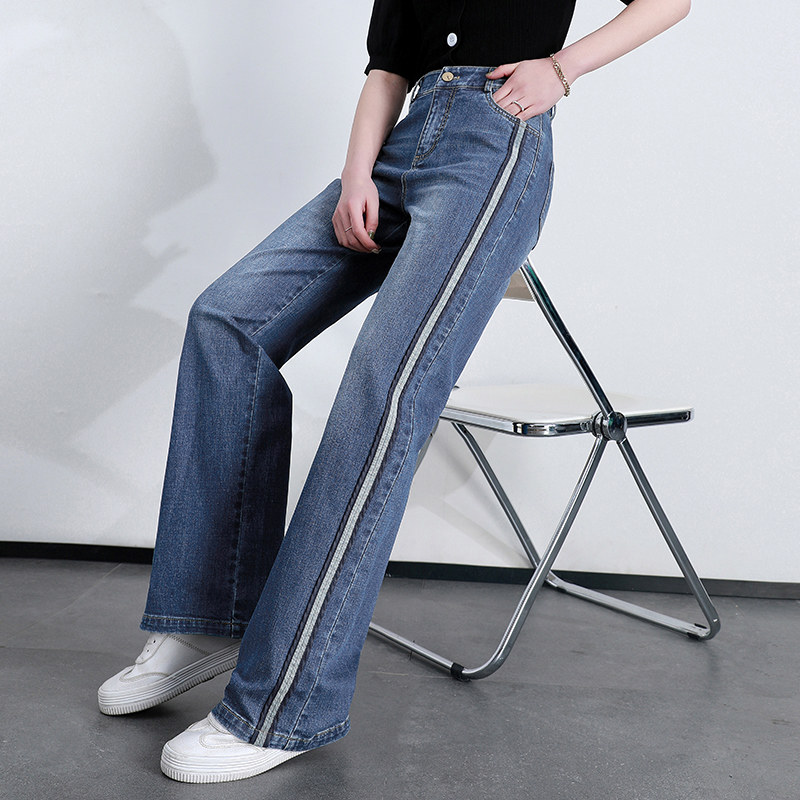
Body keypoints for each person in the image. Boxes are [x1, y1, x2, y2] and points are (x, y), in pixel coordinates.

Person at [97, 0, 692, 784]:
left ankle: (283, 706)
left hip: (493, 142)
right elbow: (388, 70)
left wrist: (562, 69)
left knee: (382, 395)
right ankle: (210, 616)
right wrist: (356, 174)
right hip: (403, 141)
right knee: (227, 321)